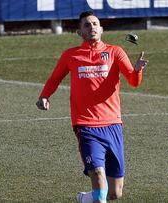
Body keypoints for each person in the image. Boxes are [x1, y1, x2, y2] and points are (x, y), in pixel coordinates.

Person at [36, 11, 148, 203]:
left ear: (102, 29)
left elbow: (133, 81)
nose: (92, 27)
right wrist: (44, 96)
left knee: (115, 193)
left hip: (113, 125)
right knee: (97, 173)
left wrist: (136, 70)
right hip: (86, 125)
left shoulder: (115, 52)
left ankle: (85, 199)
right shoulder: (71, 55)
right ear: (79, 32)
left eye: (95, 24)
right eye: (87, 25)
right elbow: (54, 78)